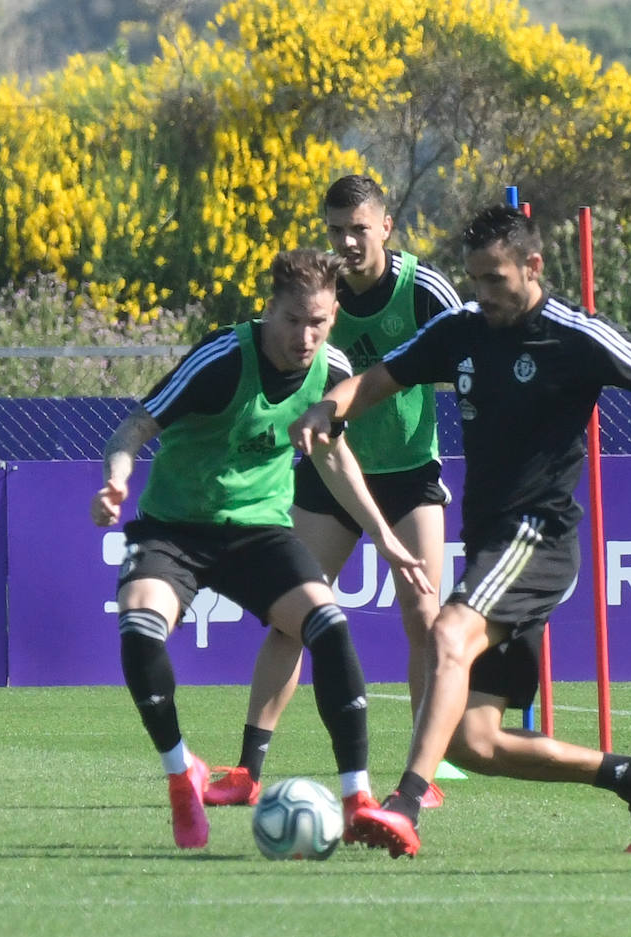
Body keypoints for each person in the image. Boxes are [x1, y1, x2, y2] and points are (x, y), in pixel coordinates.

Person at [290, 205, 631, 857]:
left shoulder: (575, 333)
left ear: (533, 266)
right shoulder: (461, 328)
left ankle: (403, 804)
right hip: (493, 544)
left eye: (496, 279)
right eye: (475, 280)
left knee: (447, 631)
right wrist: (327, 407)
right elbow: (375, 381)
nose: (484, 295)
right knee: (473, 741)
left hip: (537, 537)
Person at [90, 247, 434, 849]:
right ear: (270, 309)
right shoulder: (222, 359)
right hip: (176, 530)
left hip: (259, 534)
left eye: (320, 322)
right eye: (294, 320)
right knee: (140, 630)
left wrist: (382, 534)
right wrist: (116, 478)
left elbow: (331, 452)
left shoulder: (330, 367)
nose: (306, 336)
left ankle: (358, 799)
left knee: (327, 624)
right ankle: (181, 776)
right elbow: (134, 428)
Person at [204, 175, 464, 812]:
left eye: (358, 228)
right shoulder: (319, 295)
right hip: (328, 473)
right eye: (335, 230)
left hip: (407, 476)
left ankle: (419, 775)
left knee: (424, 620)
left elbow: (472, 353)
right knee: (290, 617)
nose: (346, 241)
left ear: (386, 228)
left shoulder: (424, 291)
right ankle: (246, 769)